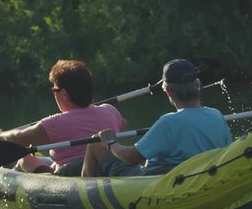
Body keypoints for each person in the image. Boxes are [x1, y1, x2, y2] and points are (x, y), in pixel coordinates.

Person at [81, 58, 232, 177]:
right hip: (200, 178)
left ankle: (82, 195)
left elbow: (131, 158)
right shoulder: (217, 115)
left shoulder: (169, 122)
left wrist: (110, 142)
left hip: (156, 181)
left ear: (167, 90)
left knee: (95, 143)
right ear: (198, 84)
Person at [0, 60, 126, 176]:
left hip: (72, 174)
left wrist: (0, 136)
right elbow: (123, 125)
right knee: (47, 160)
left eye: (54, 90)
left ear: (64, 94)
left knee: (25, 160)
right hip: (105, 168)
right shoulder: (110, 111)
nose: (54, 94)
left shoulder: (55, 123)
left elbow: (19, 138)